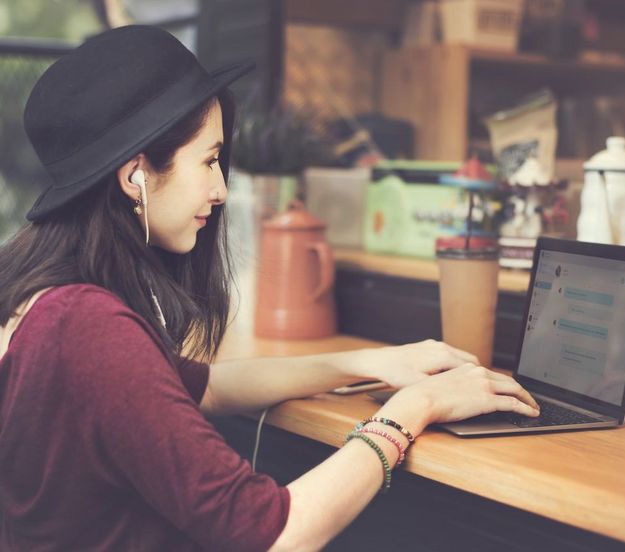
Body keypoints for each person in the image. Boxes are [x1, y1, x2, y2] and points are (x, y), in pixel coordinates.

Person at [0, 25, 539, 551]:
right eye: (209, 160)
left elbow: (204, 386)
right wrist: (412, 409)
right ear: (134, 176)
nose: (221, 189)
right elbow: (279, 533)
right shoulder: (90, 329)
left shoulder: (43, 301)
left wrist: (372, 363)